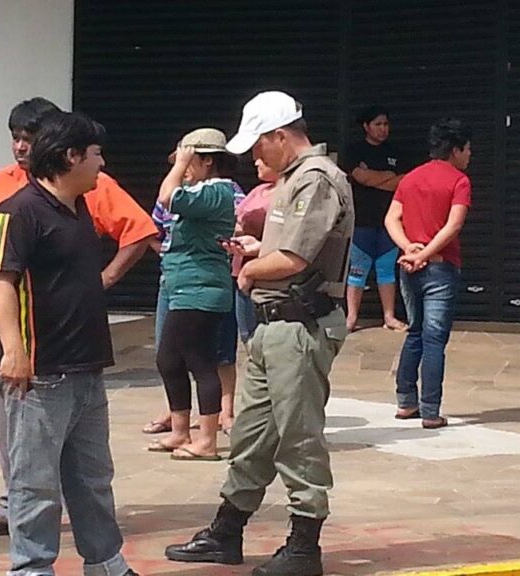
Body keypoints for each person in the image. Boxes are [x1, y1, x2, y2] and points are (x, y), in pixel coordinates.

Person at [164, 91, 354, 576]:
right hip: (275, 326)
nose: (253, 156)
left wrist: (250, 271)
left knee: (298, 437)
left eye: (258, 144)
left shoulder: (316, 179)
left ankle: (304, 545)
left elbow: (295, 258)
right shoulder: (293, 179)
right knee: (251, 435)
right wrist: (256, 249)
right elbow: (288, 247)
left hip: (299, 325)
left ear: (280, 135)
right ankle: (226, 531)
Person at [0, 97, 157, 538]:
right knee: (22, 448)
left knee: (89, 467)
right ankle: (20, 527)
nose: (21, 147)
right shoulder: (9, 197)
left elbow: (139, 230)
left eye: (29, 138)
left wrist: (102, 280)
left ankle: (102, 558)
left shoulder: (85, 195)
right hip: (26, 345)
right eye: (16, 138)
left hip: (77, 353)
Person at [149, 128, 237, 461]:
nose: (182, 168)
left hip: (201, 290)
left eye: (188, 161)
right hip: (183, 287)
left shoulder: (217, 191)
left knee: (200, 362)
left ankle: (207, 441)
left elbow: (167, 198)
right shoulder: (201, 191)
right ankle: (180, 431)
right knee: (169, 359)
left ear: (207, 161)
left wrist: (178, 166)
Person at [384, 118, 472, 430]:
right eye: (467, 149)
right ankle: (431, 410)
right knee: (434, 338)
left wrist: (408, 248)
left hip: (409, 266)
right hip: (440, 266)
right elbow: (453, 225)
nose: (469, 155)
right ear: (456, 149)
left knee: (415, 331)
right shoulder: (459, 181)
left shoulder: (410, 178)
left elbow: (391, 218)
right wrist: (424, 254)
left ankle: (406, 401)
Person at [342, 106, 408, 332]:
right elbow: (360, 177)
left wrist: (373, 178)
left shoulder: (397, 152)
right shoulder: (353, 150)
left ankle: (389, 317)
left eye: (386, 124)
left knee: (386, 269)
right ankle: (351, 318)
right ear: (366, 126)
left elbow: (402, 182)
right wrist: (387, 177)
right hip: (361, 221)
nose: (383, 129)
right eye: (378, 124)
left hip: (389, 222)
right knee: (357, 270)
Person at [232, 157, 279, 343]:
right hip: (242, 271)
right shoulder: (258, 191)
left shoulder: (287, 193)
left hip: (267, 274)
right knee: (247, 335)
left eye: (263, 159)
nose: (257, 163)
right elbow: (237, 221)